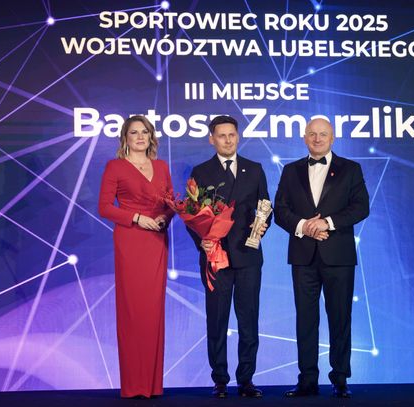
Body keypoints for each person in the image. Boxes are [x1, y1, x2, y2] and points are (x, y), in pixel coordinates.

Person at [274, 117, 369, 399]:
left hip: (338, 256)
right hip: (303, 256)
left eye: (323, 134)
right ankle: (307, 381)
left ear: (332, 137)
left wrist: (327, 222)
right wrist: (305, 226)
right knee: (305, 321)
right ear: (304, 137)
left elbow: (361, 207)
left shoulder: (351, 169)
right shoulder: (290, 171)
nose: (317, 139)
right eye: (312, 134)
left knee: (340, 319)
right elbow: (281, 210)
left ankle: (340, 379)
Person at [187, 115, 270, 398]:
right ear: (212, 139)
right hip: (216, 258)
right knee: (217, 319)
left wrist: (261, 229)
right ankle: (220, 380)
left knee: (249, 320)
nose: (228, 140)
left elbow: (265, 208)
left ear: (238, 136)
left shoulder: (254, 169)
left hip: (248, 257)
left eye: (232, 135)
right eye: (221, 136)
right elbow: (191, 215)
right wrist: (203, 242)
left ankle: (246, 380)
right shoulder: (201, 171)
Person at [98, 116, 174, 398]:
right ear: (125, 138)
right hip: (130, 240)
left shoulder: (162, 166)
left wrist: (165, 218)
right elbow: (105, 207)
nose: (140, 137)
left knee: (153, 312)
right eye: (134, 132)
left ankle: (152, 385)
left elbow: (171, 203)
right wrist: (137, 218)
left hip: (156, 241)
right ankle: (133, 385)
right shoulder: (115, 166)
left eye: (145, 132)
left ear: (151, 137)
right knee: (133, 310)